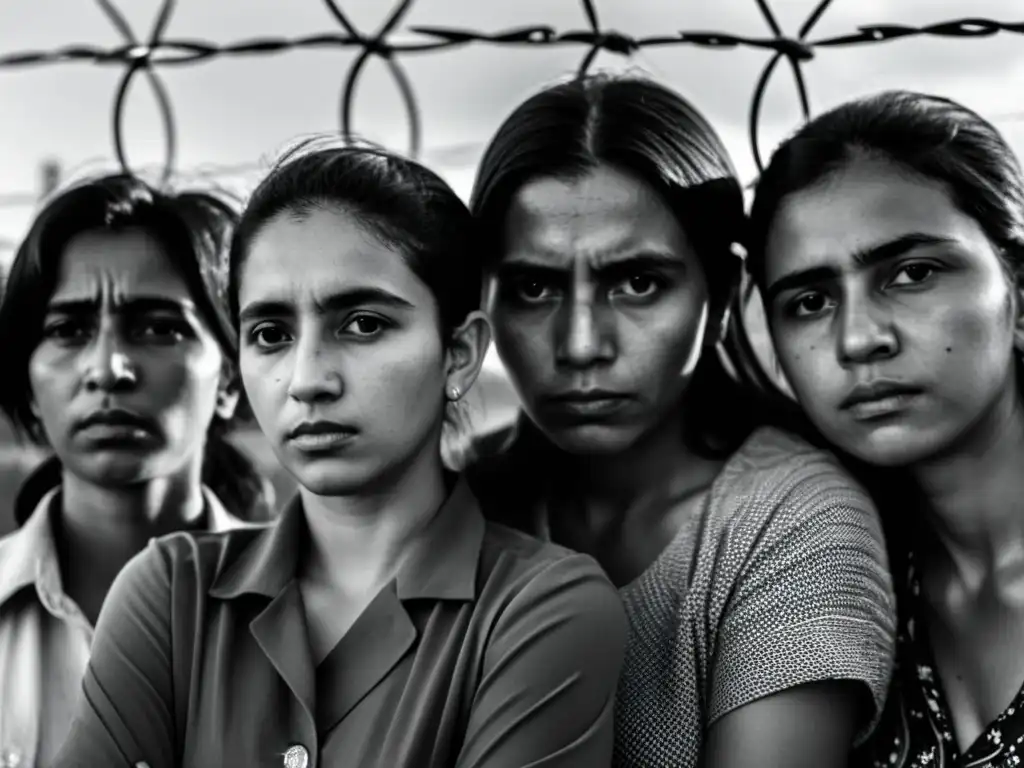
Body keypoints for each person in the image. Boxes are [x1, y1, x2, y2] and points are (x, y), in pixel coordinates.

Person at [53, 142, 627, 768]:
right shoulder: (169, 594)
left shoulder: (541, 612)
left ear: (459, 353)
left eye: (362, 324)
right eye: (271, 334)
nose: (306, 379)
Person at [466, 73, 897, 768]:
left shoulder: (794, 521)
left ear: (722, 292)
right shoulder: (461, 509)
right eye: (534, 287)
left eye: (637, 283)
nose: (581, 344)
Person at [747, 90, 1024, 768]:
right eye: (809, 302)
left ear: (1017, 286)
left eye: (912, 273)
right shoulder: (822, 584)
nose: (859, 338)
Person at [0, 174, 269, 768]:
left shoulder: (318, 617)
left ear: (229, 375)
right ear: (27, 378)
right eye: (67, 330)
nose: (107, 368)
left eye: (158, 327)